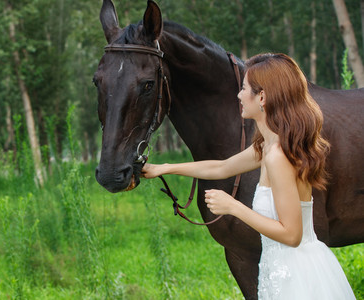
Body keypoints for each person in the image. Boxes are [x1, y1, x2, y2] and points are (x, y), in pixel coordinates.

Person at [141, 53, 356, 299]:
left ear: (262, 97)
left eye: (244, 89)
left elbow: (292, 235)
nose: (239, 95)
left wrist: (233, 207)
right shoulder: (268, 146)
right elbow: (221, 168)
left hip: (296, 276)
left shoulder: (278, 156)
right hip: (280, 269)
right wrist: (163, 168)